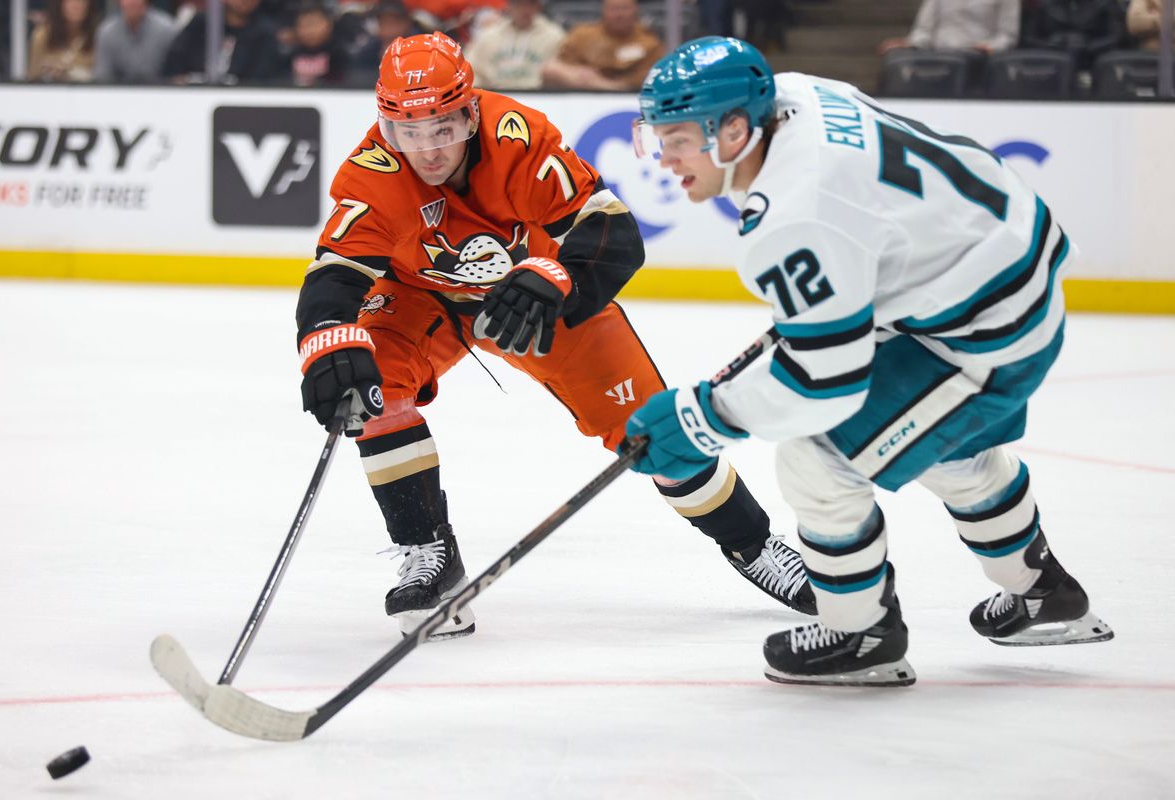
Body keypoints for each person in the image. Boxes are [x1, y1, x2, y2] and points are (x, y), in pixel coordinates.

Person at [294, 31, 816, 641]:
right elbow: (334, 271)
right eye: (409, 131)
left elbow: (614, 233)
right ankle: (430, 555)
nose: (428, 150)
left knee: (652, 430)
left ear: (470, 111)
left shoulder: (517, 135)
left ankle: (752, 544)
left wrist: (557, 276)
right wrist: (326, 336)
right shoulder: (371, 172)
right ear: (386, 127)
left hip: (537, 300)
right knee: (372, 387)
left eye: (443, 127)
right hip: (420, 299)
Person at [626, 36, 1114, 686]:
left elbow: (823, 380)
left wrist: (703, 417)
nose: (664, 158)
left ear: (735, 129)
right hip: (1000, 267)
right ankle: (1044, 593)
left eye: (679, 138)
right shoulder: (793, 91)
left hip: (982, 330)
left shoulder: (794, 215)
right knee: (948, 449)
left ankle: (861, 633)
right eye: (658, 136)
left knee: (816, 458)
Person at [542, 0, 662, 91]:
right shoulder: (583, 34)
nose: (619, 15)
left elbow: (650, 76)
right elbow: (557, 65)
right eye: (614, 9)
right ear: (604, 10)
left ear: (635, 11)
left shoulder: (649, 42)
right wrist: (576, 72)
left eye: (625, 9)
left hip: (625, 91)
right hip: (582, 87)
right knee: (551, 68)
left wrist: (606, 84)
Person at [162, 0, 283, 84]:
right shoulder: (200, 24)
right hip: (192, 97)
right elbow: (174, 64)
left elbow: (263, 79)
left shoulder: (265, 34)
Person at [465, 0, 565, 90]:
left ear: (538, 7)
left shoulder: (554, 36)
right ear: (509, 6)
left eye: (531, 4)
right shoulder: (489, 36)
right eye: (519, 4)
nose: (525, 9)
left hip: (539, 95)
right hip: (496, 94)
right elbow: (470, 68)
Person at [879, 0, 1020, 56]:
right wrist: (909, 43)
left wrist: (991, 47)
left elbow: (1007, 36)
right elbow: (924, 30)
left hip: (979, 57)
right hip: (938, 54)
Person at [1021, 0, 1125, 70]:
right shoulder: (1043, 4)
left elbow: (1117, 37)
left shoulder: (1105, 4)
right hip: (1049, 65)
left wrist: (1089, 46)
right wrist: (1050, 45)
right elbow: (1028, 38)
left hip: (1094, 62)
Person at [93, 0, 178, 84]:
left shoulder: (167, 29)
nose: (132, 2)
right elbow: (102, 78)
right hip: (119, 93)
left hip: (161, 93)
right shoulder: (107, 32)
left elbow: (176, 76)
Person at [28, 0, 98, 82]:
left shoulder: (99, 36)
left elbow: (103, 79)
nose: (76, 4)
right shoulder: (42, 36)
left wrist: (72, 73)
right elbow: (33, 77)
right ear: (58, 4)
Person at [284, 2, 350, 87]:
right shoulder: (289, 55)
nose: (310, 31)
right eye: (304, 25)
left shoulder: (339, 54)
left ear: (328, 25)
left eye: (314, 24)